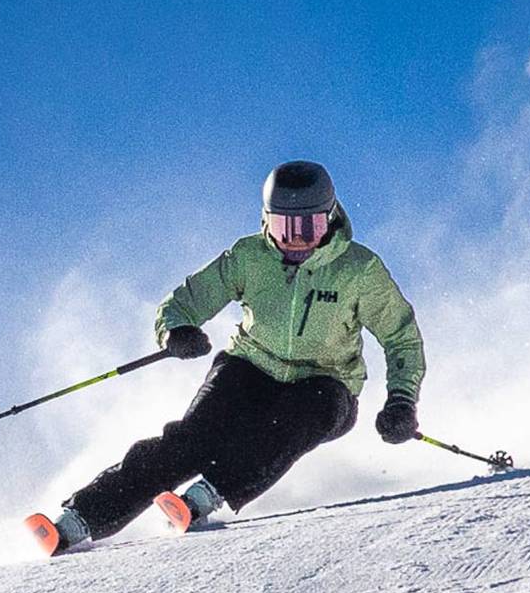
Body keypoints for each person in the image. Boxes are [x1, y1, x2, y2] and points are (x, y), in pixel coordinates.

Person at [25, 161, 426, 555]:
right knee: (193, 437)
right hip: (250, 367)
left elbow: (401, 337)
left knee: (292, 420)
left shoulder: (359, 270)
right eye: (285, 227)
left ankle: (206, 496)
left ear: (330, 218)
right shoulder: (249, 257)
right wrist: (177, 331)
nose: (297, 240)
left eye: (310, 227)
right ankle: (79, 520)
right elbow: (185, 301)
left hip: (325, 385)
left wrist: (401, 402)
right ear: (266, 220)